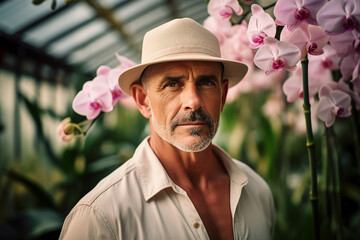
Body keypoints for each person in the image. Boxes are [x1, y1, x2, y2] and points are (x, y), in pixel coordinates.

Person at [59, 18, 275, 240]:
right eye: (172, 84)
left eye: (207, 83)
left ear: (223, 95)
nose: (193, 101)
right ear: (143, 100)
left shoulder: (257, 191)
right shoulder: (101, 217)